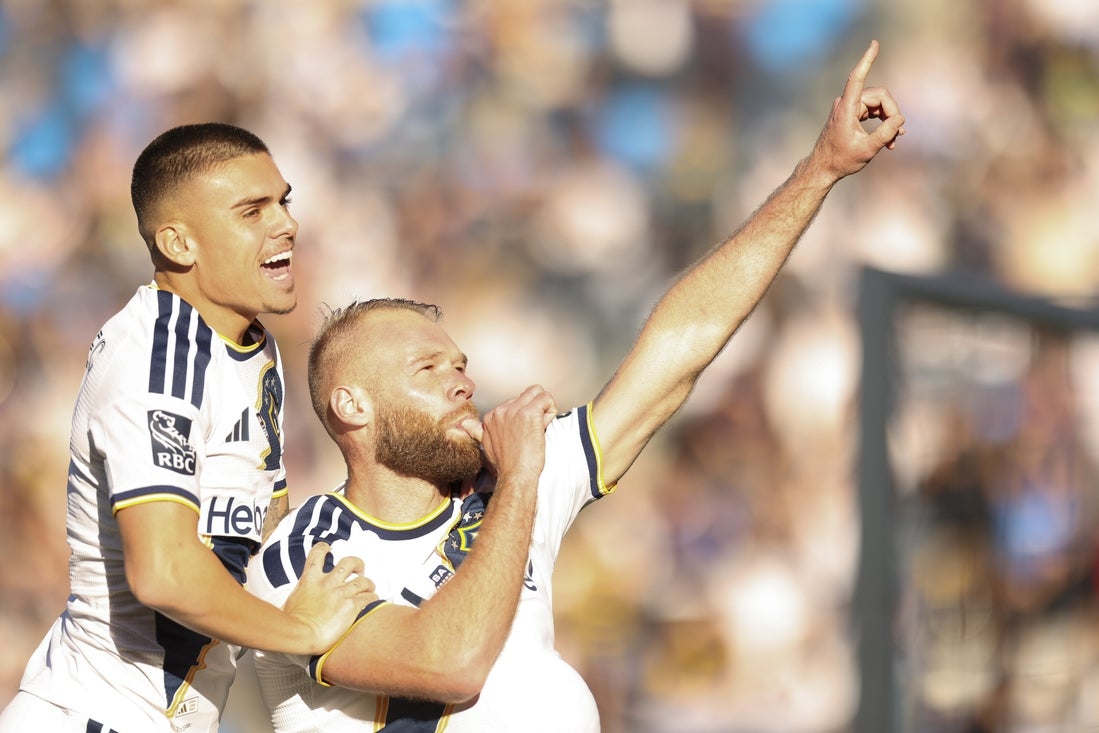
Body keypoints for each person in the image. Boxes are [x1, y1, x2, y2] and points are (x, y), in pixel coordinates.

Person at [247, 40, 906, 732]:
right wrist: (519, 483)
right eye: (427, 369)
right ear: (351, 405)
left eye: (458, 364)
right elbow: (450, 664)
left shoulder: (503, 483)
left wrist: (819, 170)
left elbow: (681, 345)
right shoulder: (308, 553)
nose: (461, 381)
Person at [0, 123, 383, 733]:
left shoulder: (253, 347)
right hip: (98, 715)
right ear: (179, 243)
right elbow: (166, 573)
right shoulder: (158, 360)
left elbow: (263, 530)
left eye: (283, 202)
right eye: (252, 211)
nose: (286, 224)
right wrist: (304, 631)